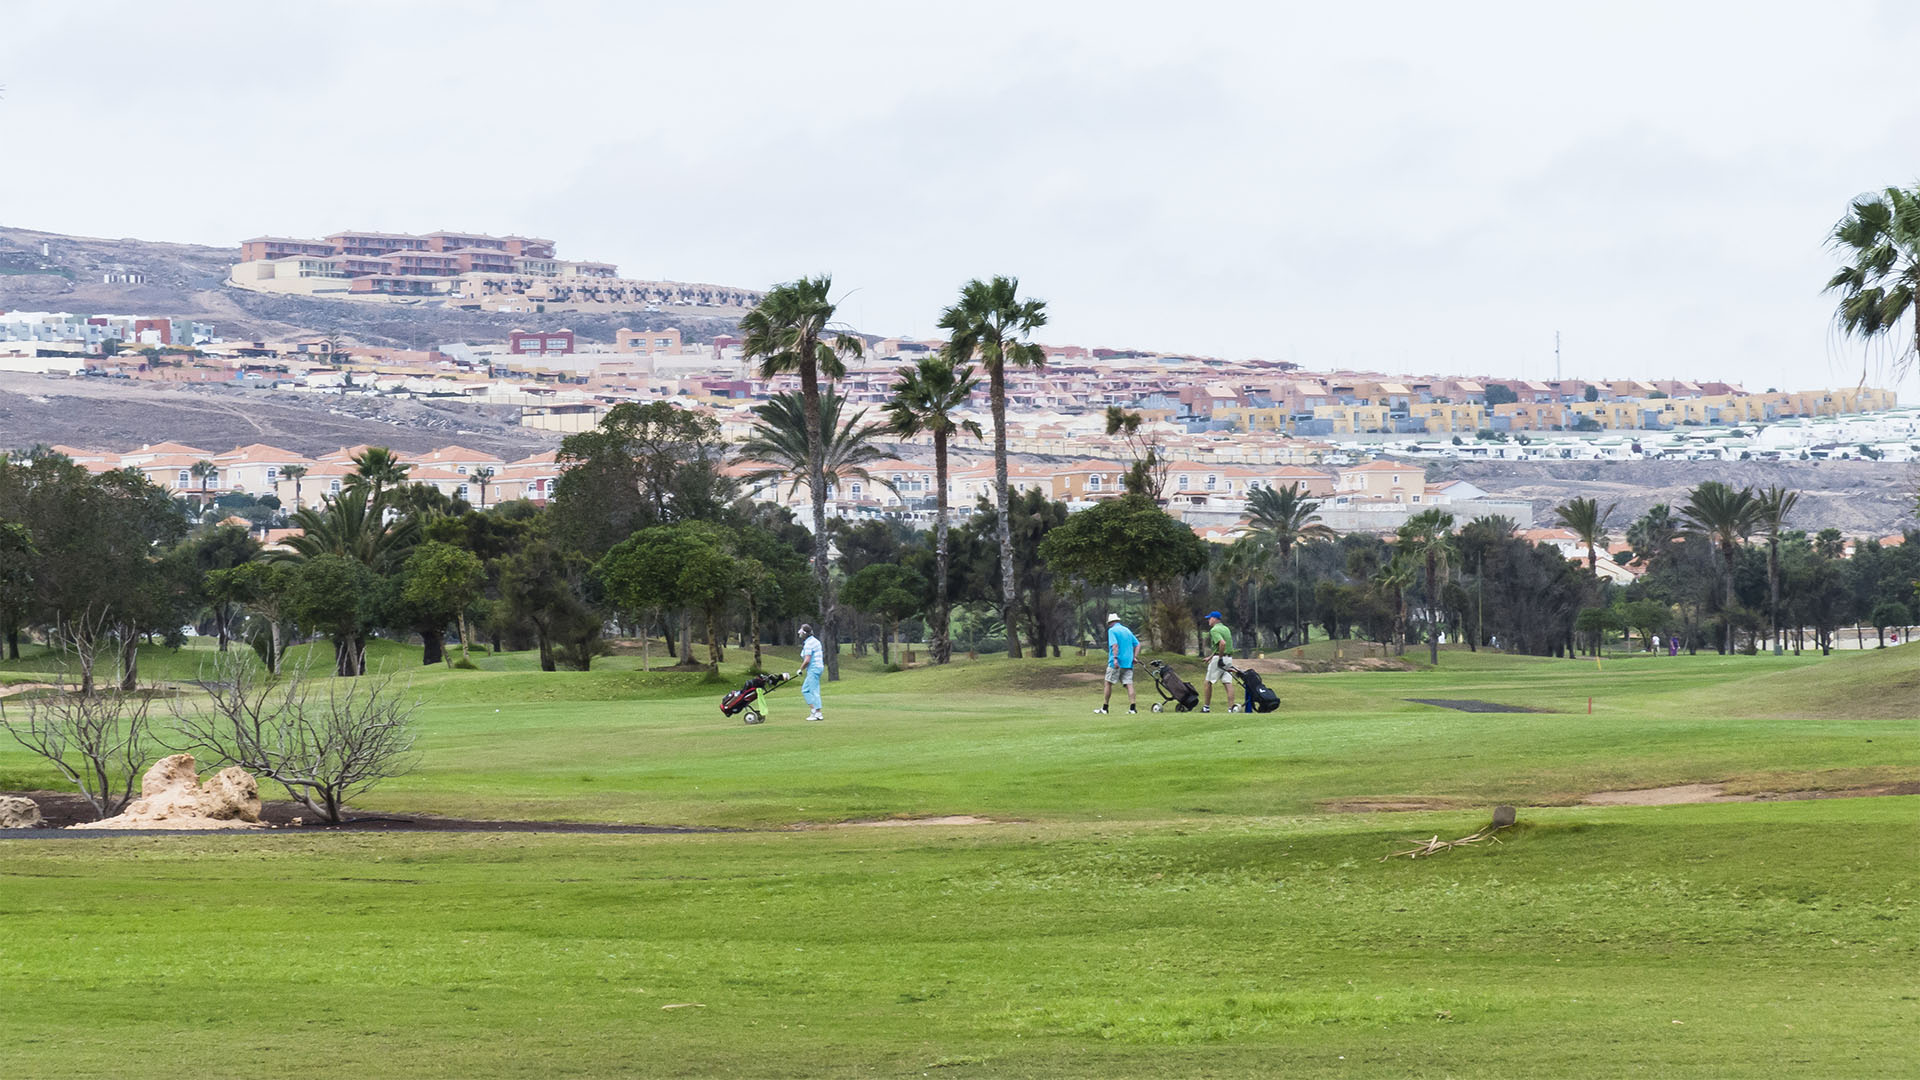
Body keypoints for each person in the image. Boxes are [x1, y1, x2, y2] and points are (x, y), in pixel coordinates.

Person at [1097, 612, 1139, 715]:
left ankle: (1105, 708)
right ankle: (1133, 708)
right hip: (1128, 663)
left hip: (1116, 662)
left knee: (1108, 683)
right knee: (1129, 684)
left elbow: (1114, 646)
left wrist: (1115, 658)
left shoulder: (1112, 630)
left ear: (1110, 622)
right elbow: (1137, 644)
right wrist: (1134, 657)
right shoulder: (1127, 630)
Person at [1201, 611, 1234, 713]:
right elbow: (1221, 647)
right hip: (1229, 659)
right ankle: (1231, 709)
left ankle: (1206, 707)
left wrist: (1219, 659)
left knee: (1208, 682)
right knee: (1227, 683)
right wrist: (1210, 657)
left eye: (1209, 618)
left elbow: (1222, 644)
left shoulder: (1214, 630)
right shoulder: (1226, 628)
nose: (1208, 620)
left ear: (1215, 619)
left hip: (1220, 659)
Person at [797, 622, 825, 722]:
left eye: (801, 631)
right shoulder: (815, 641)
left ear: (804, 633)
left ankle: (818, 713)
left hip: (813, 669)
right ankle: (814, 710)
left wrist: (800, 669)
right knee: (805, 690)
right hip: (818, 668)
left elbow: (807, 660)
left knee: (814, 691)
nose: (799, 633)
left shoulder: (809, 644)